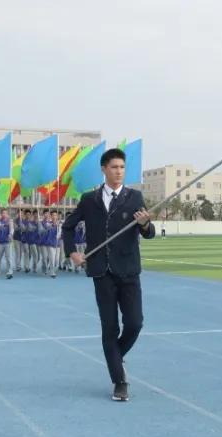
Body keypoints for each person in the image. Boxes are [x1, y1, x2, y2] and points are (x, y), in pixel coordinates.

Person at [63, 148, 155, 402]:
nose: (119, 172)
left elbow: (149, 232)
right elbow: (68, 227)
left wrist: (145, 223)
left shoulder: (135, 197)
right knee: (109, 328)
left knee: (135, 323)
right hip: (101, 271)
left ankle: (115, 355)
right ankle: (119, 381)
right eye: (114, 167)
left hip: (128, 271)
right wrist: (73, 253)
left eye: (122, 167)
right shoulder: (89, 199)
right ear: (104, 169)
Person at [0, 208, 13, 279]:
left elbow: (12, 229)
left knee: (9, 258)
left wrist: (10, 234)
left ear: (7, 214)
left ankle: (10, 272)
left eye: (5, 213)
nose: (4, 214)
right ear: (1, 214)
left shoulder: (10, 221)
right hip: (0, 242)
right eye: (3, 213)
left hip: (8, 242)